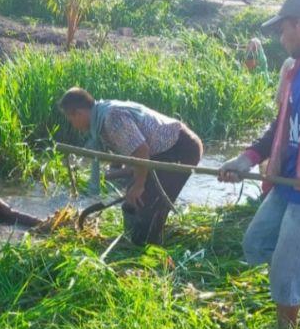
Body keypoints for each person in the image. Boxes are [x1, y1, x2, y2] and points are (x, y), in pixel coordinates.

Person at [218, 0, 300, 329]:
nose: (281, 38)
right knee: (257, 243)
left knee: (287, 272)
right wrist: (247, 159)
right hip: (287, 181)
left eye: (283, 30)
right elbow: (281, 126)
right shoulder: (296, 69)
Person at [59, 87, 203, 245]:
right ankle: (135, 239)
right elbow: (122, 147)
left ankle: (148, 247)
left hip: (180, 148)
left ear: (78, 113)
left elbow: (141, 151)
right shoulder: (100, 117)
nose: (73, 125)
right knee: (131, 202)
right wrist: (116, 172)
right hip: (158, 153)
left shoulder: (112, 117)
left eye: (70, 119)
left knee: (147, 202)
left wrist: (139, 185)